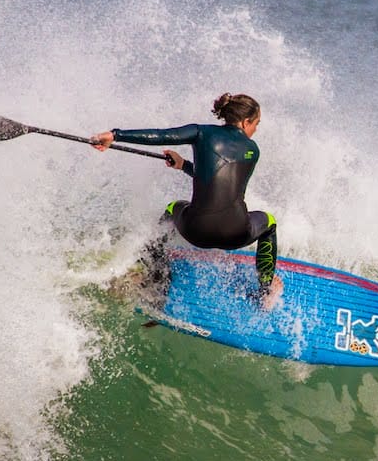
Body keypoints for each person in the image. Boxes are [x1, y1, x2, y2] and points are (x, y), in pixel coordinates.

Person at [91, 93, 281, 308]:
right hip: (236, 234)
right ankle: (265, 290)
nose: (255, 129)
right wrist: (183, 165)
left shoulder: (201, 132)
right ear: (246, 122)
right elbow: (222, 181)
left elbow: (162, 135)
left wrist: (115, 135)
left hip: (195, 232)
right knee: (269, 223)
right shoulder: (252, 150)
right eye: (256, 124)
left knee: (172, 208)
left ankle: (156, 277)